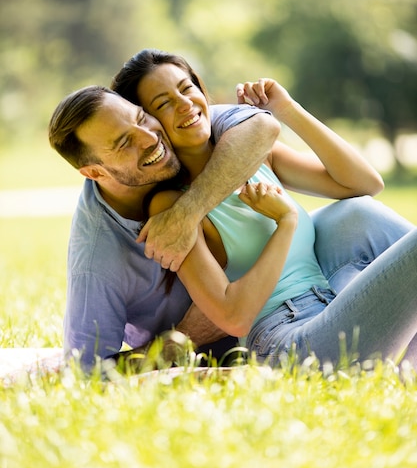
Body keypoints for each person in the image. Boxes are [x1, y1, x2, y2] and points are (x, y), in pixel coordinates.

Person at [116, 48, 417, 367]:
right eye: (163, 104)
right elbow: (232, 317)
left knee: (359, 213)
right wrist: (286, 221)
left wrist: (287, 109)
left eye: (186, 88)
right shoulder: (173, 206)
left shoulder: (255, 154)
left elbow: (364, 184)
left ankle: (408, 374)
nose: (185, 104)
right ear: (147, 125)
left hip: (328, 302)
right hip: (286, 342)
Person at [48, 83, 280, 369]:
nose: (149, 138)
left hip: (300, 281)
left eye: (141, 117)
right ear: (95, 172)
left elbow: (262, 127)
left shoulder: (177, 133)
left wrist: (187, 211)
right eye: (124, 143)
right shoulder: (98, 261)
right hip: (247, 338)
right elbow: (88, 370)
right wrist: (189, 334)